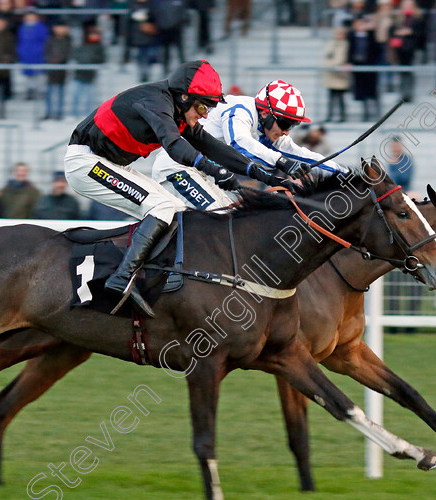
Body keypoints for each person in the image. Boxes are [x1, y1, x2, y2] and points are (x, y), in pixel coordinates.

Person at [65, 61, 323, 315]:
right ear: (185, 96)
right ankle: (122, 279)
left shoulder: (178, 110)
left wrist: (269, 178)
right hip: (85, 163)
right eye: (202, 106)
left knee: (176, 210)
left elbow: (213, 147)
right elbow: (175, 147)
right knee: (163, 206)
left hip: (108, 163)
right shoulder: (155, 103)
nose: (205, 115)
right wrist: (217, 172)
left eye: (209, 108)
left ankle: (151, 276)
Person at [152, 79, 345, 211]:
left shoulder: (267, 127)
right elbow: (239, 143)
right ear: (265, 114)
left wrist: (346, 174)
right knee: (220, 219)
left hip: (204, 174)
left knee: (234, 218)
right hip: (176, 167)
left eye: (292, 126)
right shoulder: (240, 110)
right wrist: (281, 161)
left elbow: (303, 155)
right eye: (286, 124)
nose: (287, 132)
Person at [388, 0, 423, 103]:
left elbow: (422, 34)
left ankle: (409, 94)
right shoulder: (397, 20)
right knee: (402, 72)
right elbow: (391, 31)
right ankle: (403, 94)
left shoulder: (417, 20)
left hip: (412, 49)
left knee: (410, 72)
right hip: (400, 49)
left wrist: (410, 32)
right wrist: (398, 33)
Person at [348, 16, 380, 121]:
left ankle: (375, 113)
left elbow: (376, 51)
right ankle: (365, 113)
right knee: (361, 92)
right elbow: (349, 51)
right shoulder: (352, 37)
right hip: (358, 68)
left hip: (370, 68)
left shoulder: (371, 37)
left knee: (371, 92)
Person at [71, 26, 106, 118]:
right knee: (76, 95)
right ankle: (74, 113)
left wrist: (90, 60)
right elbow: (77, 56)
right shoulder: (82, 46)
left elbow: (101, 59)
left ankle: (87, 114)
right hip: (79, 74)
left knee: (89, 97)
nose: (95, 37)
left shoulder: (100, 47)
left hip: (91, 75)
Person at [16, 11, 49, 101]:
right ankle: (29, 92)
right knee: (27, 75)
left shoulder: (41, 28)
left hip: (38, 55)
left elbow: (45, 41)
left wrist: (41, 52)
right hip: (25, 55)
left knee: (38, 74)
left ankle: (38, 92)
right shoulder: (22, 28)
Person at [44, 21, 72, 120]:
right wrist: (51, 60)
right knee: (49, 92)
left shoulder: (68, 41)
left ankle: (59, 113)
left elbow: (68, 53)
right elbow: (46, 52)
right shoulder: (50, 40)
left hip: (62, 70)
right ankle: (48, 112)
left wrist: (59, 60)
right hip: (51, 70)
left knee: (60, 92)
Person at [323, 25, 349, 123]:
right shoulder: (331, 44)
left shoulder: (346, 45)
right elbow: (326, 57)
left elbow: (342, 58)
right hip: (331, 73)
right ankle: (330, 115)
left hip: (340, 73)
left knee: (341, 97)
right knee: (331, 97)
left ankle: (342, 116)